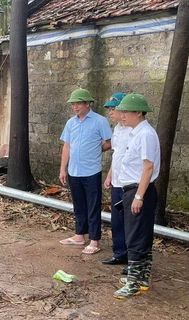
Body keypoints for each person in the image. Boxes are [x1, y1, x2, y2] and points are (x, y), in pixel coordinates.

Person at [113, 93, 160, 299]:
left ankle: (133, 282)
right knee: (140, 235)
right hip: (132, 189)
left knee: (135, 238)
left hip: (140, 190)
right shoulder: (135, 133)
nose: (122, 115)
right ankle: (141, 277)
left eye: (126, 112)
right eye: (121, 111)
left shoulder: (146, 134)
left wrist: (139, 196)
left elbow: (148, 167)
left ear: (139, 112)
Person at [59, 88, 112, 254]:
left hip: (91, 171)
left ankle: (94, 240)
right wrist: (63, 169)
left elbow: (110, 142)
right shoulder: (71, 123)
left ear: (87, 103)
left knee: (93, 205)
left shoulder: (100, 121)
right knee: (78, 205)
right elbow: (67, 146)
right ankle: (79, 235)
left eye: (79, 103)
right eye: (73, 104)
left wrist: (97, 150)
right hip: (74, 170)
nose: (75, 107)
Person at [102, 93, 131, 266]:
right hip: (117, 182)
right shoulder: (118, 129)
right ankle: (119, 252)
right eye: (110, 109)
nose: (110, 113)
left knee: (130, 222)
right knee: (117, 219)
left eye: (113, 109)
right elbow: (117, 154)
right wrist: (110, 174)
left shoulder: (133, 130)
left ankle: (132, 256)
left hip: (130, 183)